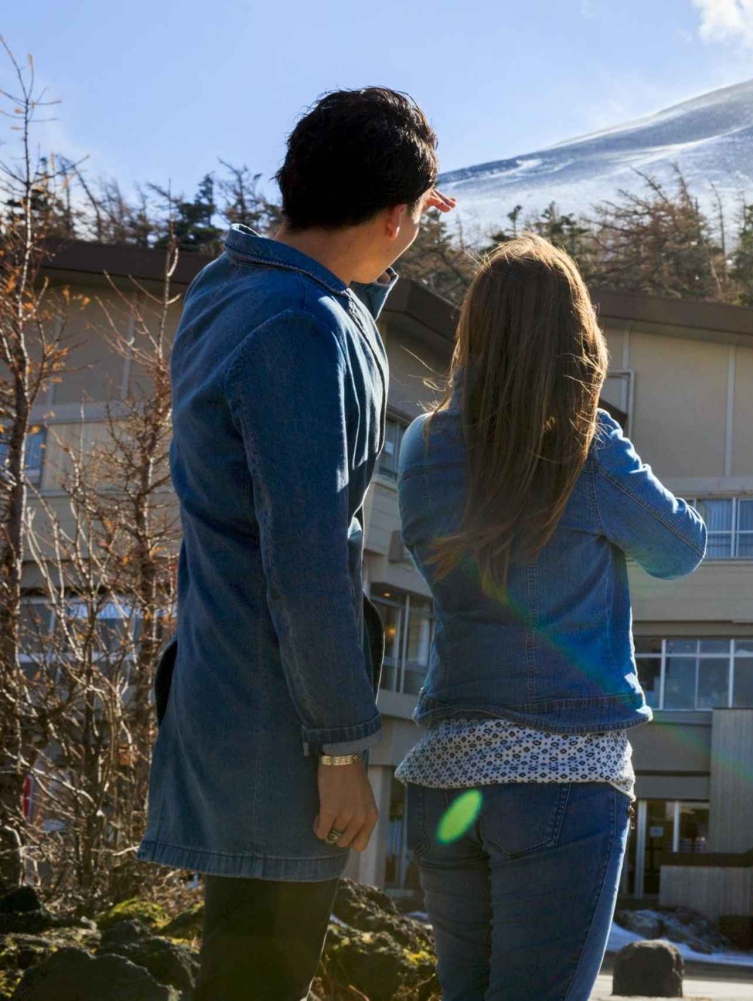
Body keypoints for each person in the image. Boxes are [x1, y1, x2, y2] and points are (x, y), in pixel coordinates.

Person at [137, 88, 453, 1001]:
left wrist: (386, 239)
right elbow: (310, 561)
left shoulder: (229, 290)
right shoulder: (304, 329)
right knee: (258, 980)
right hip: (282, 724)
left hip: (220, 689)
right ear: (397, 215)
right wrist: (345, 750)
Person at [394, 235, 707, 1001]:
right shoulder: (585, 449)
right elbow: (681, 549)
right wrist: (599, 426)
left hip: (446, 773)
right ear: (577, 336)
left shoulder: (424, 445)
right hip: (563, 776)